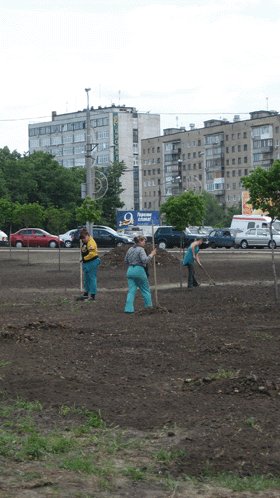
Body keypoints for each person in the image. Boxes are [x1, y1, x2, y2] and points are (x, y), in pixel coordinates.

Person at [124, 235, 156, 313]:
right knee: (145, 289)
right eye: (144, 241)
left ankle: (128, 309)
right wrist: (151, 255)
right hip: (139, 270)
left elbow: (126, 261)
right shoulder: (141, 250)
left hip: (130, 270)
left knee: (131, 291)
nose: (145, 242)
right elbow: (145, 260)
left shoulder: (130, 249)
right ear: (140, 241)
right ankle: (148, 307)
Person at [77, 228, 101, 301]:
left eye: (84, 238)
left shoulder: (91, 242)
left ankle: (93, 295)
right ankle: (86, 293)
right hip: (86, 263)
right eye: (82, 239)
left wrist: (84, 259)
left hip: (92, 262)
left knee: (92, 278)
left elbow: (92, 254)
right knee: (86, 279)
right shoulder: (84, 242)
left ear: (87, 235)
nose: (83, 240)